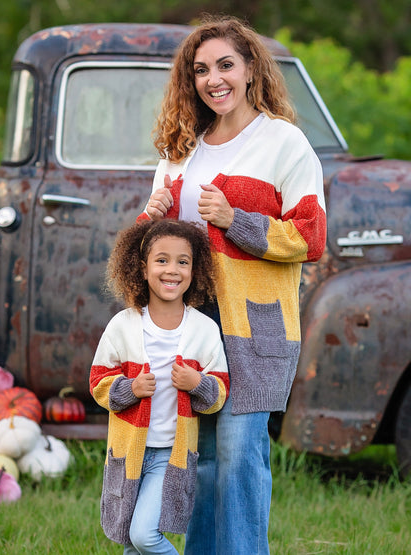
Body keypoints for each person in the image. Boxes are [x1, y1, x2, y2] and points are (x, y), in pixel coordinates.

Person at [138, 15, 327, 555]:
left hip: (255, 324)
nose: (213, 79)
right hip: (193, 321)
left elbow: (311, 237)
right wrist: (149, 220)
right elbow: (159, 250)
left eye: (225, 65)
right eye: (201, 70)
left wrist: (237, 220)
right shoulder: (180, 148)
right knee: (202, 454)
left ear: (250, 70)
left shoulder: (283, 142)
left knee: (242, 451)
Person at [89, 219, 230, 554]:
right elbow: (98, 383)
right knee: (131, 544)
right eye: (161, 260)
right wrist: (129, 388)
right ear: (142, 267)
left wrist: (198, 384)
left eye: (183, 261)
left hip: (171, 455)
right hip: (129, 453)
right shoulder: (124, 325)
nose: (172, 270)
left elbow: (219, 394)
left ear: (195, 271)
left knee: (144, 536)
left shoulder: (204, 329)